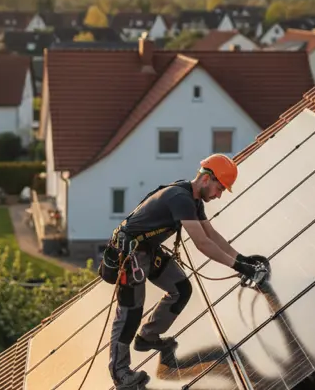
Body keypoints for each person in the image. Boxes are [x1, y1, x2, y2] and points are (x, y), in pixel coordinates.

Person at [107, 154, 266, 389]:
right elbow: (203, 244)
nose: (219, 194)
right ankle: (120, 372)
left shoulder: (194, 200)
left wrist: (242, 260)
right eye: (219, 188)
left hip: (148, 250)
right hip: (130, 254)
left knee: (181, 289)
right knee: (130, 311)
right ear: (206, 178)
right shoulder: (180, 198)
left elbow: (211, 235)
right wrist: (238, 267)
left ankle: (148, 336)